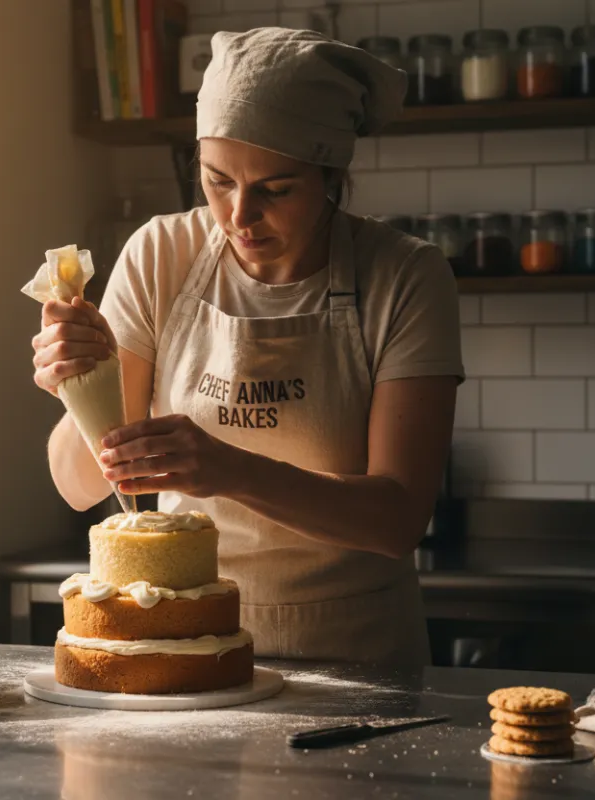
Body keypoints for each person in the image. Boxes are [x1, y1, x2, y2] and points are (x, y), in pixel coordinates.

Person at [31, 27, 464, 666]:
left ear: (332, 174)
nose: (238, 215)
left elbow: (397, 520)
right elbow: (76, 485)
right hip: (186, 649)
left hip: (356, 662)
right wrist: (79, 383)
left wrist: (230, 470)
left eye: (275, 189)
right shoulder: (161, 255)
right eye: (216, 181)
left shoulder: (404, 277)